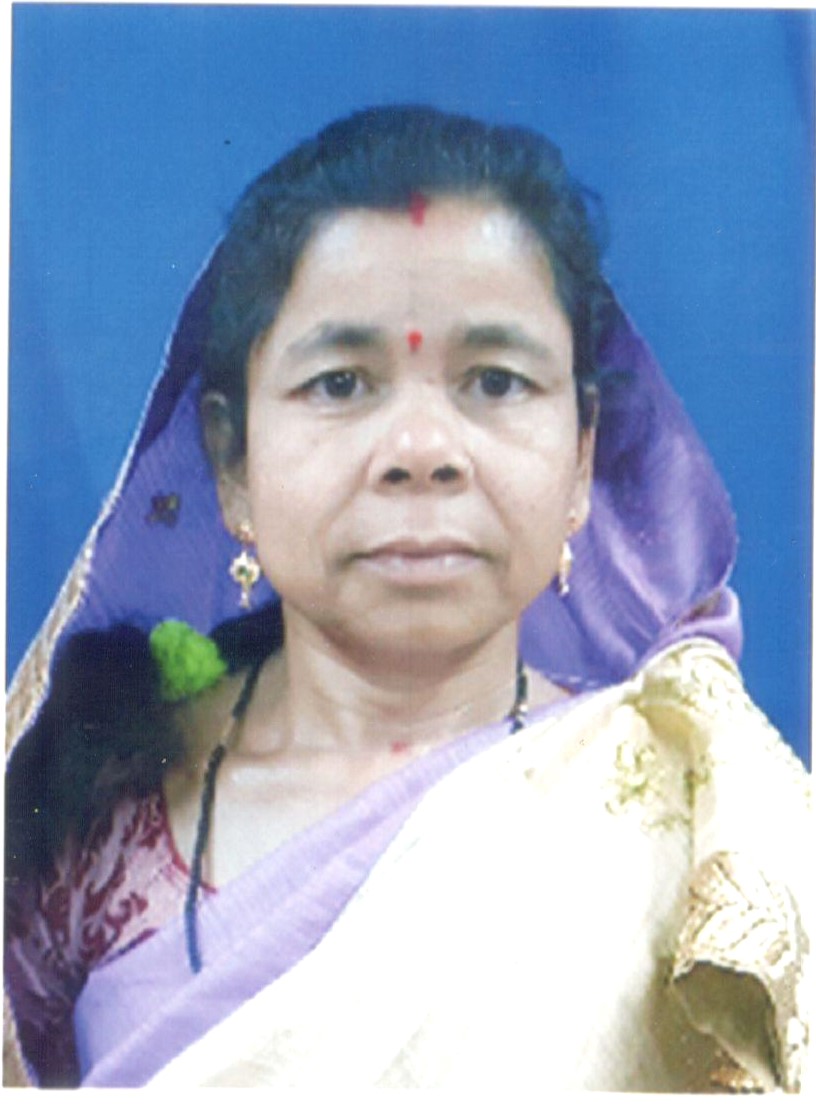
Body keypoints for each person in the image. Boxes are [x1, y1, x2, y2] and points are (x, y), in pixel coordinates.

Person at [4, 106, 810, 1091]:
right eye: (341, 383)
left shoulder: (700, 825)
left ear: (582, 455)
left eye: (496, 382)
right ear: (232, 462)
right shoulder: (85, 817)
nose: (423, 452)